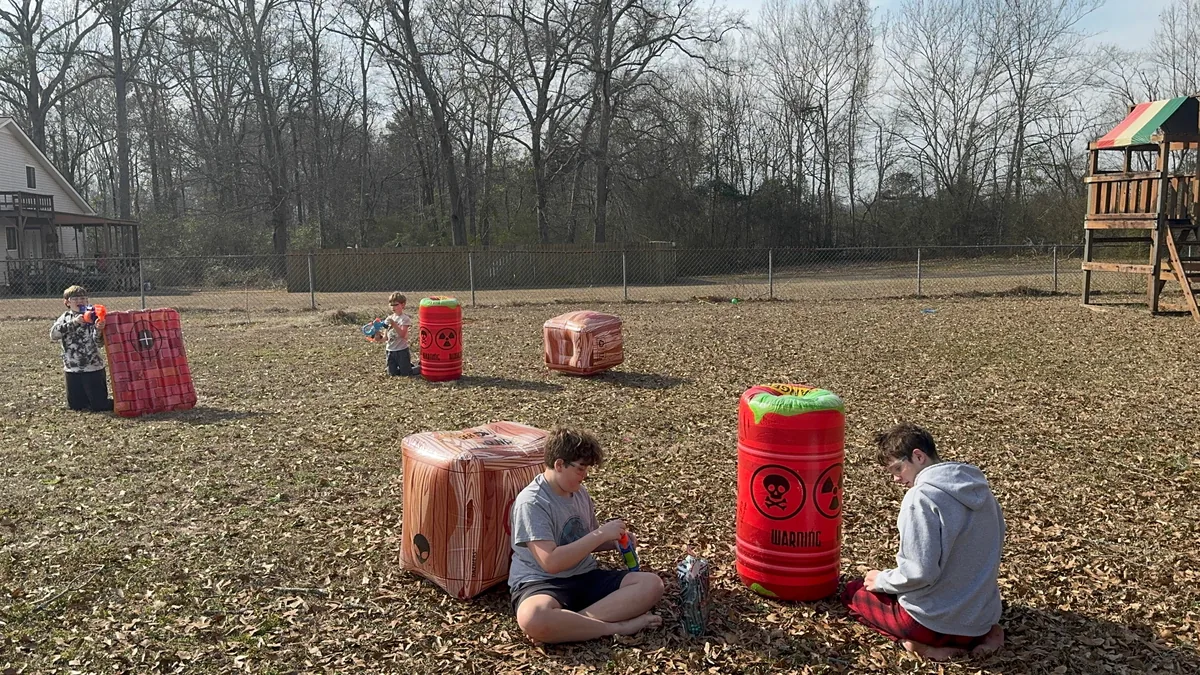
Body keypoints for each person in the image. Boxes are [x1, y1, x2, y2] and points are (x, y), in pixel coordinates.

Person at [842, 422, 1005, 661]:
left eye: (898, 469)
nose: (896, 479)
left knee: (852, 592)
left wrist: (882, 580)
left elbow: (919, 573)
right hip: (980, 618)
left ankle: (926, 648)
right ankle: (989, 637)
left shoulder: (921, 497)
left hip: (931, 624)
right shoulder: (982, 491)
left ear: (918, 456)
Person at [509, 427, 664, 644]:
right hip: (543, 583)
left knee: (652, 585)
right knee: (533, 617)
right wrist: (600, 534)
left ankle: (569, 626)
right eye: (581, 469)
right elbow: (551, 562)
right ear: (559, 464)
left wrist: (613, 542)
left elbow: (584, 541)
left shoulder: (579, 493)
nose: (585, 476)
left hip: (584, 575)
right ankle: (617, 627)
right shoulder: (532, 502)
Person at [50, 285, 114, 412]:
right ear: (67, 302)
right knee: (76, 406)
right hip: (72, 368)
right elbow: (53, 335)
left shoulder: (92, 316)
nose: (80, 301)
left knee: (99, 406)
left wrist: (99, 329)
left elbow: (98, 343)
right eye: (75, 299)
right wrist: (74, 322)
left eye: (83, 298)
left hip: (93, 367)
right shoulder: (65, 318)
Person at [384, 292, 419, 376]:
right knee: (392, 374)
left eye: (396, 305)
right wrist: (376, 334)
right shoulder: (389, 318)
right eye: (391, 305)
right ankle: (405, 366)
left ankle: (419, 367)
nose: (393, 307)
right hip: (390, 350)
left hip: (401, 351)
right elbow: (385, 338)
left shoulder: (404, 319)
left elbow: (403, 334)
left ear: (403, 305)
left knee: (406, 374)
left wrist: (394, 324)